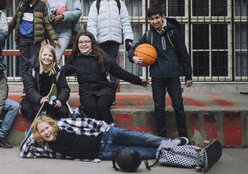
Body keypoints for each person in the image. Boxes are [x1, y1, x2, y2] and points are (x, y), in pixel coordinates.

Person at [128, 5, 192, 138]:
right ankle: (162, 138)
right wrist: (133, 57)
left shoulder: (173, 32)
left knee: (178, 106)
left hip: (173, 74)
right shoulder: (149, 35)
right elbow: (133, 49)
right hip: (157, 76)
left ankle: (183, 137)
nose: (155, 21)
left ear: (163, 16)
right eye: (151, 19)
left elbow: (183, 54)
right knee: (159, 108)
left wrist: (188, 75)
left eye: (157, 17)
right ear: (148, 20)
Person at [61, 30, 148, 124]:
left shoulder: (101, 57)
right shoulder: (75, 60)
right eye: (81, 42)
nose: (83, 44)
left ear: (92, 43)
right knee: (91, 106)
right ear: (77, 44)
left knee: (102, 105)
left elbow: (120, 72)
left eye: (87, 42)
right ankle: (97, 133)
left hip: (104, 90)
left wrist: (138, 81)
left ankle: (110, 131)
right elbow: (61, 71)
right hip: (86, 93)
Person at [20, 115, 189, 160]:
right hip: (103, 153)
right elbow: (24, 152)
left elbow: (86, 122)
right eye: (41, 132)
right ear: (38, 135)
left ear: (52, 124)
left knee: (143, 138)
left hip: (106, 135)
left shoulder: (63, 125)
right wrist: (32, 133)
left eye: (46, 127)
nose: (46, 132)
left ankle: (171, 143)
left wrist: (104, 126)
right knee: (142, 153)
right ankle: (172, 153)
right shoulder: (47, 148)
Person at [8, 0, 61, 79]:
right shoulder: (21, 5)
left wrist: (54, 38)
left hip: (35, 40)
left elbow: (46, 23)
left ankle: (32, 86)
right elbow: (14, 20)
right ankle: (26, 88)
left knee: (33, 63)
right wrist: (5, 33)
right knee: (24, 64)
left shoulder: (41, 6)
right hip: (22, 39)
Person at [87, 0, 134, 86]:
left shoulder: (119, 4)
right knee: (101, 67)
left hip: (114, 41)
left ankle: (112, 93)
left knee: (113, 68)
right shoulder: (96, 4)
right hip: (100, 42)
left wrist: (128, 38)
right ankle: (102, 90)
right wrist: (93, 41)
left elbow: (126, 22)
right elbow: (91, 24)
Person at [21, 44, 70, 121]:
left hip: (53, 99)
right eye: (45, 55)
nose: (47, 57)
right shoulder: (32, 70)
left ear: (53, 58)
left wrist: (60, 99)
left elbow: (64, 88)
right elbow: (29, 89)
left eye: (50, 55)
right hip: (37, 100)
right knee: (34, 110)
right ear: (40, 56)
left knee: (63, 112)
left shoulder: (58, 70)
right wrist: (39, 99)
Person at [46, 0, 82, 65]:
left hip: (65, 32)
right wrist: (51, 16)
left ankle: (56, 79)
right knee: (54, 58)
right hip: (52, 33)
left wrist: (63, 16)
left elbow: (78, 11)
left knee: (56, 57)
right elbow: (47, 12)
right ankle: (58, 79)